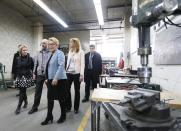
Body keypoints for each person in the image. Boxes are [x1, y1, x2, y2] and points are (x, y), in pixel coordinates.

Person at [41, 37, 67, 125]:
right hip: (50, 80)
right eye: (49, 44)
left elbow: (61, 66)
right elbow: (48, 67)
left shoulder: (60, 53)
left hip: (59, 79)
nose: (50, 46)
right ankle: (49, 116)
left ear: (57, 45)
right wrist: (46, 78)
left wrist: (56, 78)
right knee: (50, 99)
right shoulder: (50, 54)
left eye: (52, 44)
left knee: (61, 99)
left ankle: (63, 115)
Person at [28, 39, 51, 114]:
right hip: (39, 74)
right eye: (42, 43)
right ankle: (35, 107)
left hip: (48, 74)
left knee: (50, 91)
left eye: (44, 43)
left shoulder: (51, 52)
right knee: (37, 91)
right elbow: (35, 64)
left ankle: (50, 105)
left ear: (47, 44)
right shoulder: (38, 52)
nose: (42, 45)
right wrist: (34, 73)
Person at [66, 38, 85, 114]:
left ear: (75, 43)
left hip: (77, 74)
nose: (70, 44)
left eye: (71, 42)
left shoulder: (81, 52)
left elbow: (82, 64)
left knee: (77, 91)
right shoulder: (70, 51)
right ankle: (68, 106)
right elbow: (68, 62)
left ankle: (76, 108)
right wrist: (65, 71)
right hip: (68, 73)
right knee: (67, 90)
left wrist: (81, 74)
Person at [14, 44, 34, 114]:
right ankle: (25, 101)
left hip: (26, 77)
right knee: (23, 91)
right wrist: (16, 77)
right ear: (20, 51)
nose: (25, 51)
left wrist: (33, 75)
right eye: (23, 50)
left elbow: (32, 68)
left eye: (26, 50)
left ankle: (18, 107)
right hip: (19, 77)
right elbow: (16, 68)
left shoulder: (30, 58)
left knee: (22, 91)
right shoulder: (17, 59)